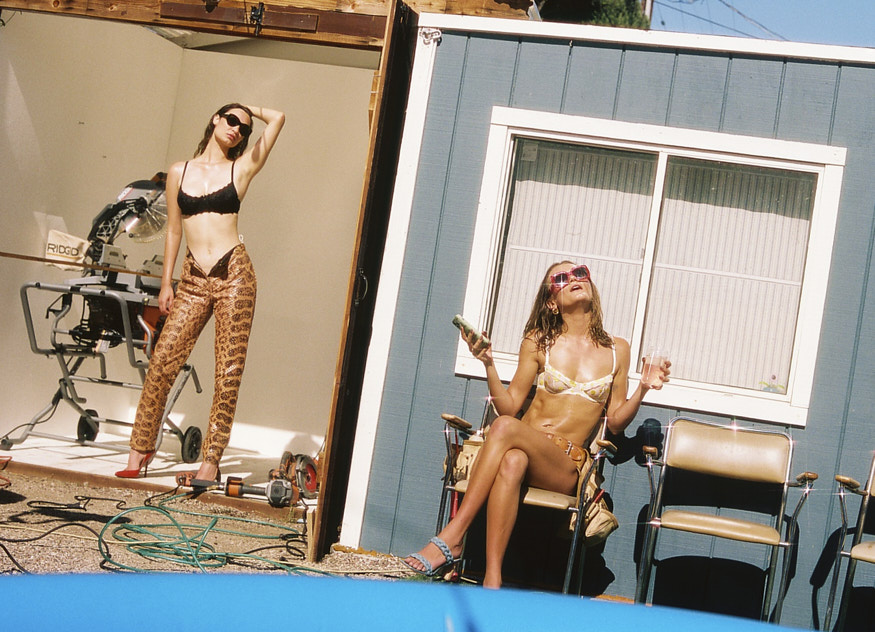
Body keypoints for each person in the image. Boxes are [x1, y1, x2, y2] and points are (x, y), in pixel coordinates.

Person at [403, 261, 670, 588]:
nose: (574, 279)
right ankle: (493, 579)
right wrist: (488, 363)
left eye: (580, 273)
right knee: (513, 461)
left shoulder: (617, 350)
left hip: (566, 465)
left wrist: (643, 388)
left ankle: (454, 535)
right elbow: (510, 405)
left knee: (504, 428)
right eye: (561, 278)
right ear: (551, 302)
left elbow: (614, 423)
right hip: (524, 447)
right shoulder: (538, 341)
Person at [115, 103, 285, 482]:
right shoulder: (180, 171)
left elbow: (278, 118)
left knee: (228, 370)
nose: (237, 129)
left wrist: (249, 108)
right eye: (231, 120)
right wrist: (167, 282)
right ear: (215, 119)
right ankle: (139, 449)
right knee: (162, 360)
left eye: (244, 127)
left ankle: (211, 460)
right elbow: (174, 230)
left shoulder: (240, 169)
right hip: (192, 277)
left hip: (235, 275)